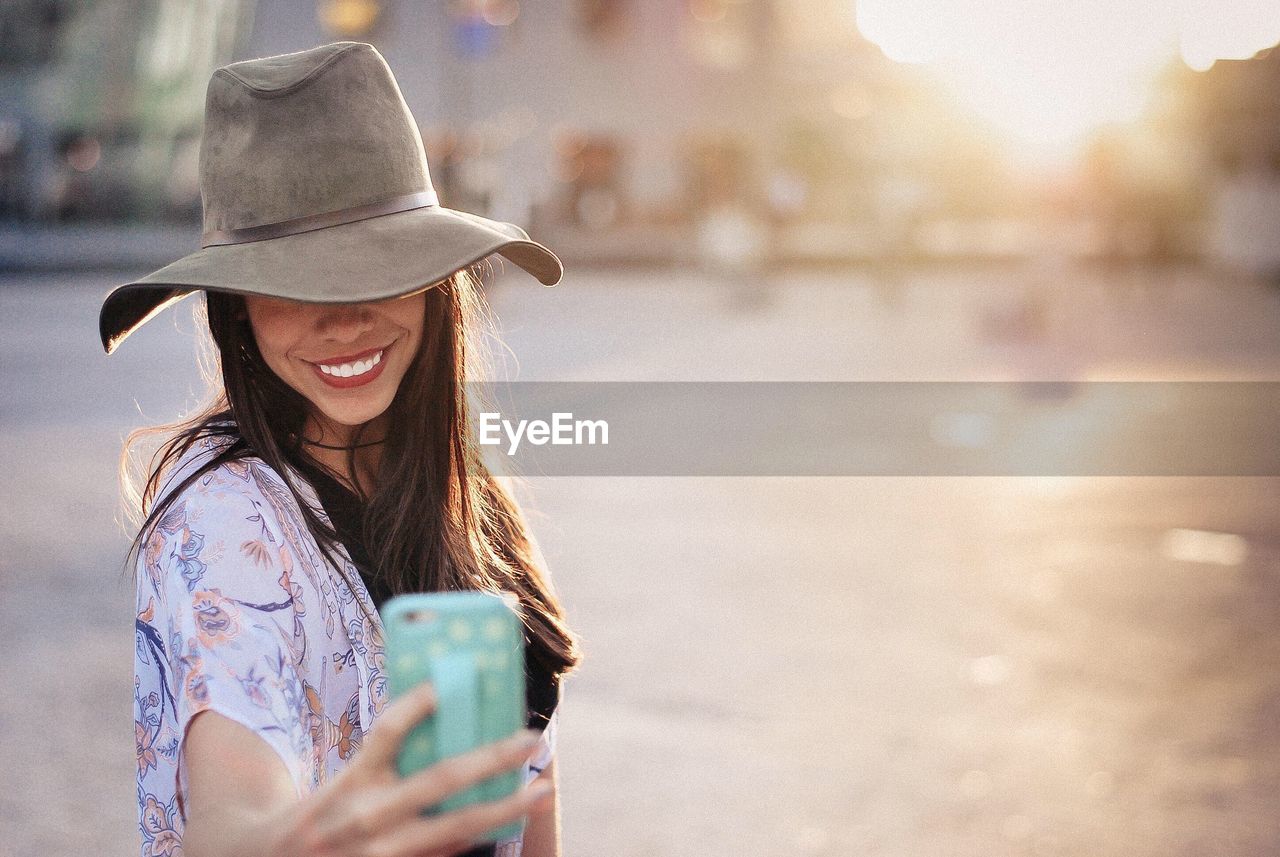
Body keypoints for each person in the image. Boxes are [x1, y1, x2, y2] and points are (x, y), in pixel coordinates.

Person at [102, 42, 581, 857]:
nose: (344, 318)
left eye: (379, 267)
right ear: (235, 310)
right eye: (293, 284)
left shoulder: (462, 488)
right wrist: (309, 839)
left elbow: (528, 784)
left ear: (437, 284)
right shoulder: (224, 514)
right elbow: (233, 809)